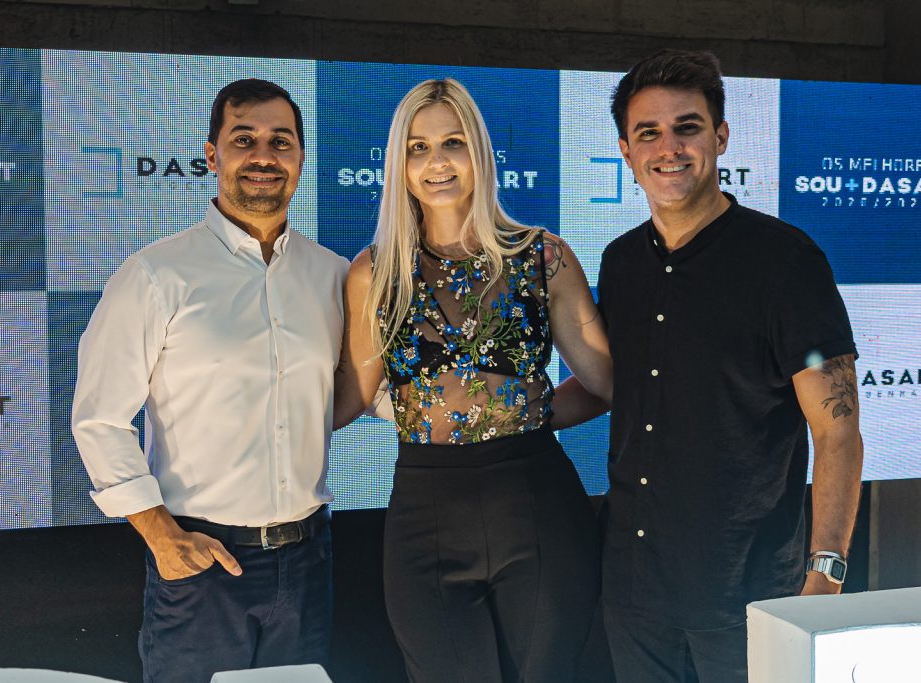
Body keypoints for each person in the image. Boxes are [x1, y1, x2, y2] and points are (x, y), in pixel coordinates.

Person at [596, 49, 865, 682]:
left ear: (719, 136)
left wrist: (825, 577)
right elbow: (613, 385)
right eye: (648, 133)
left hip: (748, 592)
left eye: (687, 127)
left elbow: (838, 430)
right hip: (635, 591)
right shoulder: (619, 262)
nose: (670, 147)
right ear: (626, 151)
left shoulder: (786, 264)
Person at [333, 78, 612, 683]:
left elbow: (605, 383)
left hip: (538, 505)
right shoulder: (374, 272)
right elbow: (354, 394)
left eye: (453, 142)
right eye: (418, 147)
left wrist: (522, 413)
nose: (436, 162)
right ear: (399, 163)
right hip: (425, 514)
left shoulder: (545, 257)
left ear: (479, 153)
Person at [72, 78, 347, 683]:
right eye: (243, 138)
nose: (263, 155)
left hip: (308, 560)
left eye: (281, 141)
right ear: (212, 154)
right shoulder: (155, 275)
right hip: (200, 564)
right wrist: (162, 538)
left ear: (300, 156)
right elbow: (99, 420)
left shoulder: (334, 276)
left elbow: (361, 391)